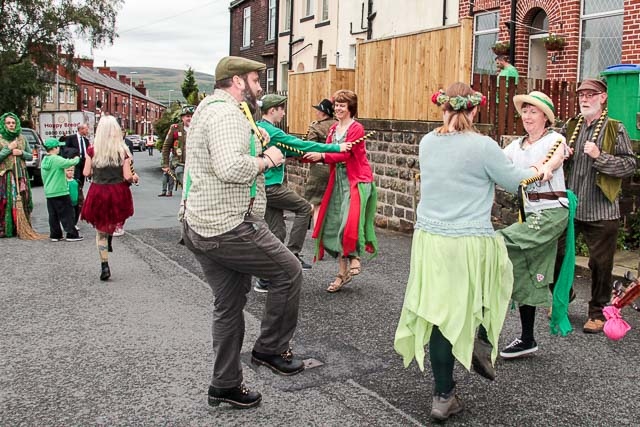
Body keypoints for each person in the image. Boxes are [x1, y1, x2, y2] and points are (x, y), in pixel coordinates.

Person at [393, 82, 552, 421]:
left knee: (439, 314)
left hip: (430, 241)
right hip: (468, 241)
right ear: (475, 110)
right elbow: (516, 181)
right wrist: (542, 169)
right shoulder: (483, 146)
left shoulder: (427, 142)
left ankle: (443, 395)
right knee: (494, 280)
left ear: (443, 108)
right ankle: (481, 339)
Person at [180, 56, 304, 410]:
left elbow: (228, 147)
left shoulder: (212, 108)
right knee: (288, 272)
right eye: (255, 79)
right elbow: (230, 167)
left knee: (229, 304)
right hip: (228, 226)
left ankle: (225, 385)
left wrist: (256, 136)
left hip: (199, 225)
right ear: (237, 82)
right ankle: (270, 349)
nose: (260, 86)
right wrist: (270, 159)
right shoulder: (225, 114)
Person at [495, 91, 576, 360]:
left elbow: (552, 160)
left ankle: (479, 302)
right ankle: (527, 338)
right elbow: (494, 163)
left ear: (545, 117)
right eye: (525, 111)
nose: (527, 116)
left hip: (552, 213)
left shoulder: (555, 139)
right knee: (528, 270)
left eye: (534, 111)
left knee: (498, 240)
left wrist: (541, 170)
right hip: (531, 214)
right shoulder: (515, 146)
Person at [556, 78, 636, 334]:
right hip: (571, 206)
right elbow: (552, 158)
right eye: (582, 95)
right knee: (557, 255)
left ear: (603, 98)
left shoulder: (615, 128)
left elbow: (628, 165)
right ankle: (563, 296)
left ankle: (597, 312)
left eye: (591, 94)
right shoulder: (570, 126)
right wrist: (562, 157)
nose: (585, 99)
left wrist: (599, 156)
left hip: (602, 209)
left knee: (601, 265)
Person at [253, 94, 350, 292]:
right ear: (273, 111)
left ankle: (265, 278)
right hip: (271, 187)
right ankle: (293, 255)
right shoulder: (272, 130)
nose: (284, 113)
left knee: (277, 232)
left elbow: (289, 150)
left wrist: (296, 155)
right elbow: (303, 145)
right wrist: (337, 147)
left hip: (264, 185)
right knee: (305, 208)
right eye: (282, 109)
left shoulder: (259, 127)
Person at [303, 89, 377, 293]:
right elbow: (327, 149)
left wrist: (322, 157)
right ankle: (342, 273)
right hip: (338, 180)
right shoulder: (334, 129)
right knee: (336, 225)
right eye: (336, 105)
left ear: (350, 108)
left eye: (342, 105)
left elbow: (345, 155)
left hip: (356, 179)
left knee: (348, 222)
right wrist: (305, 153)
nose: (337, 108)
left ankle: (354, 257)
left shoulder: (357, 128)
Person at [81, 116, 137, 281]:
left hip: (98, 191)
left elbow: (86, 173)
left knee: (100, 229)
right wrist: (134, 178)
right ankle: (110, 235)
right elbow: (127, 176)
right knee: (113, 218)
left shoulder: (92, 149)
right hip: (118, 191)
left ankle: (104, 264)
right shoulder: (123, 150)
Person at [303, 99, 337, 231]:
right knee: (331, 203)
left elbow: (309, 146)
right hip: (334, 167)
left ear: (323, 112)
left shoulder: (315, 127)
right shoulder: (337, 125)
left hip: (319, 169)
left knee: (315, 202)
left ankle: (317, 233)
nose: (316, 112)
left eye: (318, 110)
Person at [41, 138, 83, 242]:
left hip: (49, 192)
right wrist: (77, 157)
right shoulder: (56, 159)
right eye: (58, 146)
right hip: (60, 191)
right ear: (54, 148)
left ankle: (55, 235)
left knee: (53, 215)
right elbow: (69, 162)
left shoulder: (44, 159)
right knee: (67, 214)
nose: (59, 148)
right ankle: (71, 234)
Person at [0, 113, 34, 238]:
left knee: (22, 199)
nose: (11, 125)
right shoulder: (0, 138)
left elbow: (30, 155)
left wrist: (21, 152)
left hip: (20, 173)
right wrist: (8, 149)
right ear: (4, 124)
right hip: (5, 175)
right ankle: (5, 227)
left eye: (13, 123)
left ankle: (20, 226)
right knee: (7, 201)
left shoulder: (21, 138)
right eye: (8, 123)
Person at [160, 105, 193, 196]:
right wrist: (165, 164)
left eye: (192, 116)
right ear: (182, 118)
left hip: (195, 164)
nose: (190, 118)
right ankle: (189, 193)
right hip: (180, 163)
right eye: (187, 116)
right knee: (180, 172)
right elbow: (166, 147)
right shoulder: (175, 128)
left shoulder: (199, 129)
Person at [62, 123, 91, 188]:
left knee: (82, 180)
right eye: (86, 129)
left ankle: (80, 192)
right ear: (81, 129)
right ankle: (76, 195)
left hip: (83, 162)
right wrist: (74, 153)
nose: (87, 131)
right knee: (76, 179)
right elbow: (65, 149)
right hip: (75, 162)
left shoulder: (86, 140)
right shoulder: (71, 138)